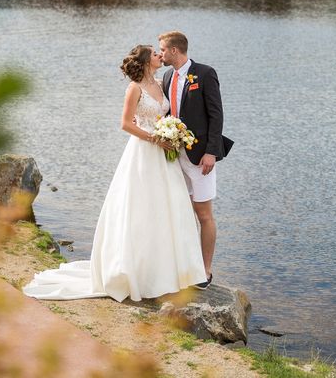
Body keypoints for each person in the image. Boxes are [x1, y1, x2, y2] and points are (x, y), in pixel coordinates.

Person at [23, 44, 207, 302]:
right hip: (143, 152)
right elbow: (125, 123)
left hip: (165, 157)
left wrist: (172, 132)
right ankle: (136, 272)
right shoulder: (134, 89)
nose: (159, 56)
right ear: (145, 61)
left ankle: (167, 272)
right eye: (155, 53)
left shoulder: (160, 83)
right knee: (139, 209)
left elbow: (169, 112)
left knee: (168, 208)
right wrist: (155, 137)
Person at [159, 31, 232, 290]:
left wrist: (211, 152)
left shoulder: (204, 73)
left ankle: (206, 271)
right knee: (181, 211)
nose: (161, 54)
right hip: (174, 155)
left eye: (163, 50)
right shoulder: (167, 76)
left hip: (201, 157)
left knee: (204, 214)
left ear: (175, 50)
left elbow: (216, 114)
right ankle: (185, 265)